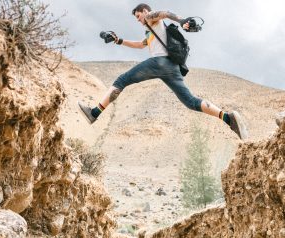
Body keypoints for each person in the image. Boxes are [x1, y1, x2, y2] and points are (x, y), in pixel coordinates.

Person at [78, 3, 247, 139]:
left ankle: (94, 113)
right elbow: (140, 44)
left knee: (122, 80)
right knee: (190, 101)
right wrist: (119, 40)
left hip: (158, 63)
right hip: (171, 68)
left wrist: (182, 21)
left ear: (145, 11)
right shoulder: (152, 30)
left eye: (138, 16)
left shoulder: (151, 18)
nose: (138, 20)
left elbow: (165, 13)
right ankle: (228, 118)